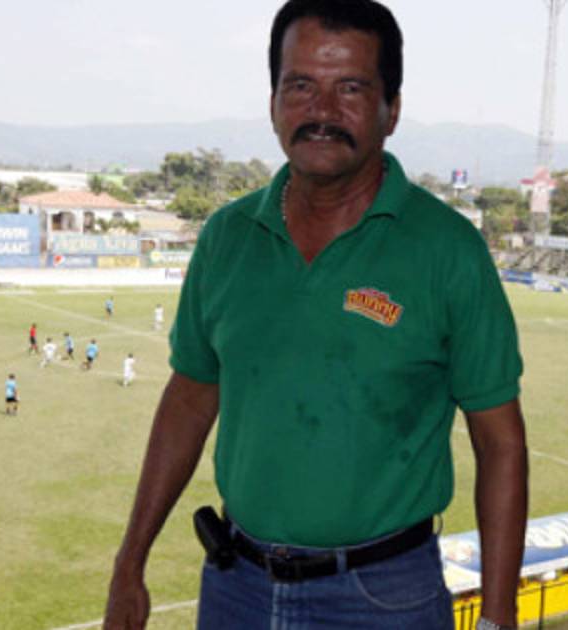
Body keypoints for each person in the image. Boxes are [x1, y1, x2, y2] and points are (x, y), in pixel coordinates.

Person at [103, 3, 527, 629]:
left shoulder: (448, 251)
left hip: (382, 598)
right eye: (300, 85)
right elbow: (190, 398)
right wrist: (129, 563)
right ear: (273, 103)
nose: (322, 111)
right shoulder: (227, 237)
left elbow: (500, 443)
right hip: (236, 589)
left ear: (391, 109)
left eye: (350, 88)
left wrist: (497, 617)